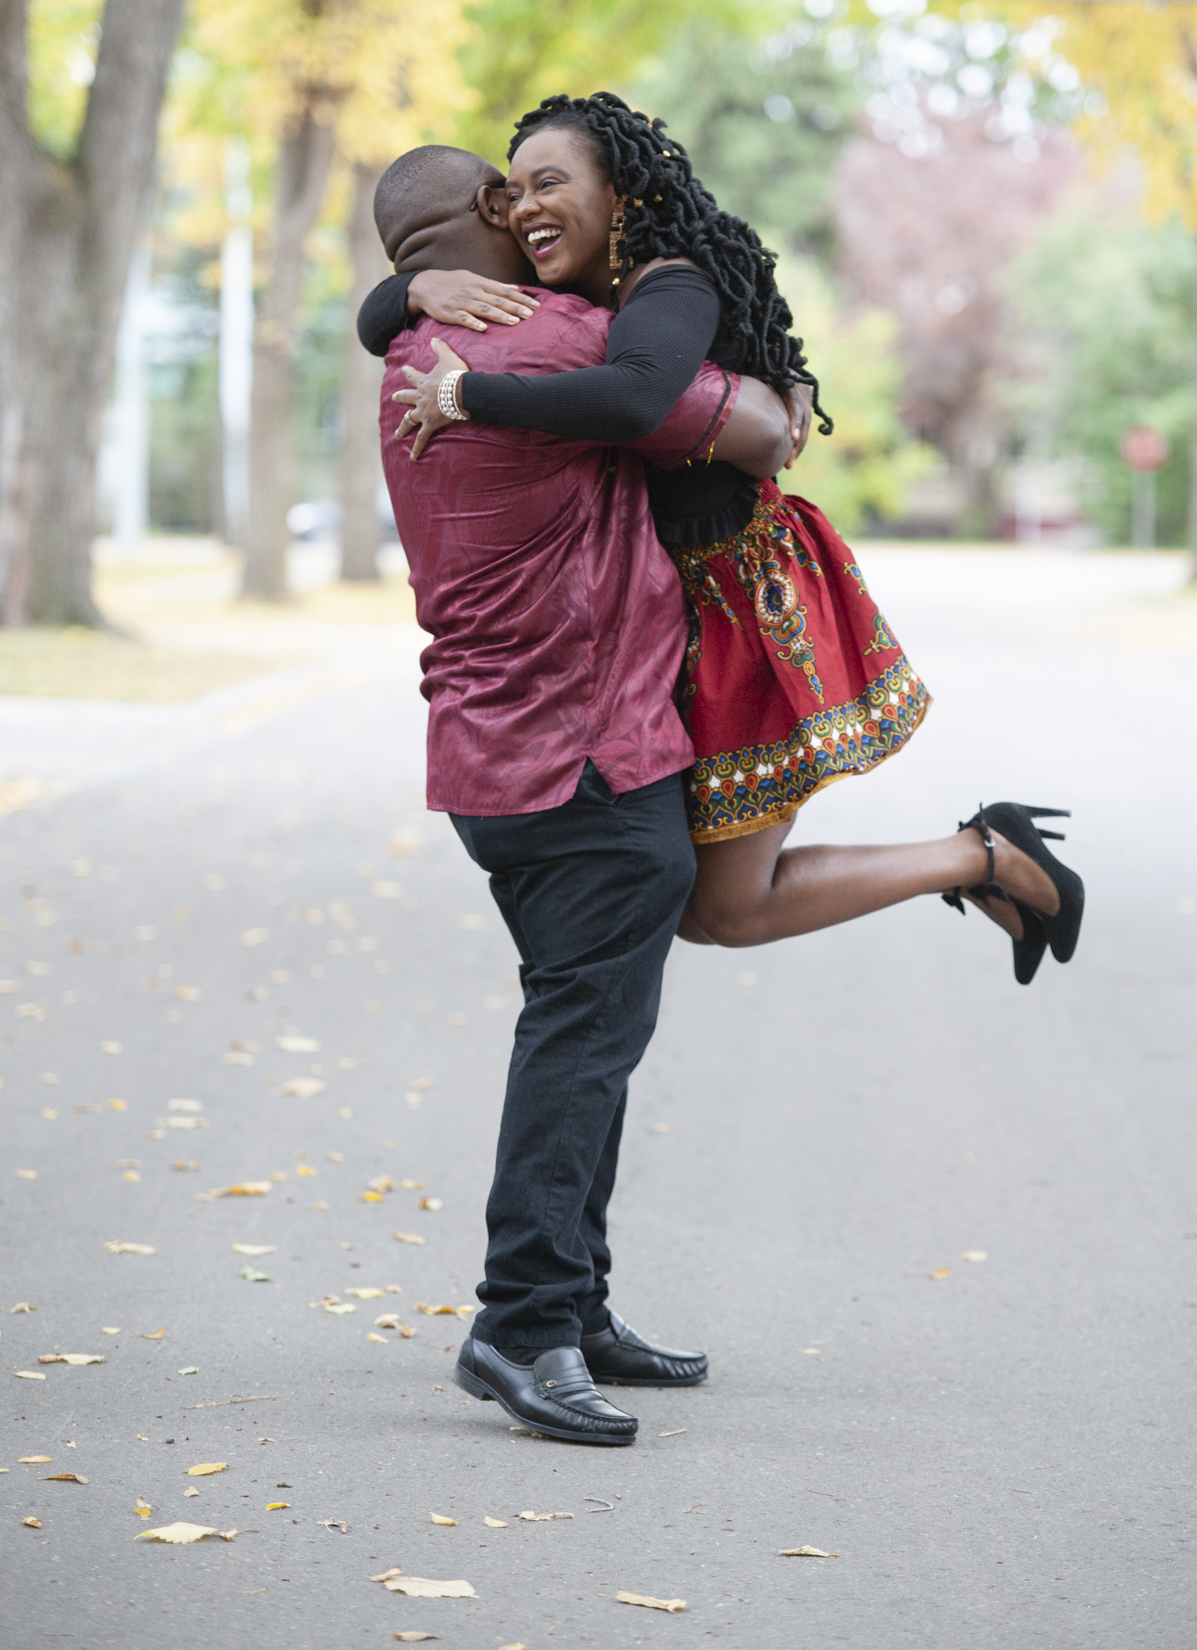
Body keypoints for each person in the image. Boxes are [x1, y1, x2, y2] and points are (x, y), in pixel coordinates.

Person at [363, 95, 1084, 985]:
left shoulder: (669, 280)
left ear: (620, 191)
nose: (523, 210)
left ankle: (984, 855)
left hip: (738, 596)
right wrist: (409, 288)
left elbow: (636, 398)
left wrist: (468, 396)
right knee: (713, 913)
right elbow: (380, 320)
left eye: (549, 184)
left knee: (727, 910)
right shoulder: (558, 295)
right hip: (660, 613)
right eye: (511, 194)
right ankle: (982, 855)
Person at [369, 141, 797, 1448]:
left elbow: (392, 310)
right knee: (579, 1043)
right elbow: (761, 426)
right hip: (591, 765)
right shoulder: (561, 348)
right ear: (493, 214)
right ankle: (523, 1323)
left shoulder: (407, 356)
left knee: (588, 1039)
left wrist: (399, 301)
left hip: (492, 764)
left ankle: (578, 1304)